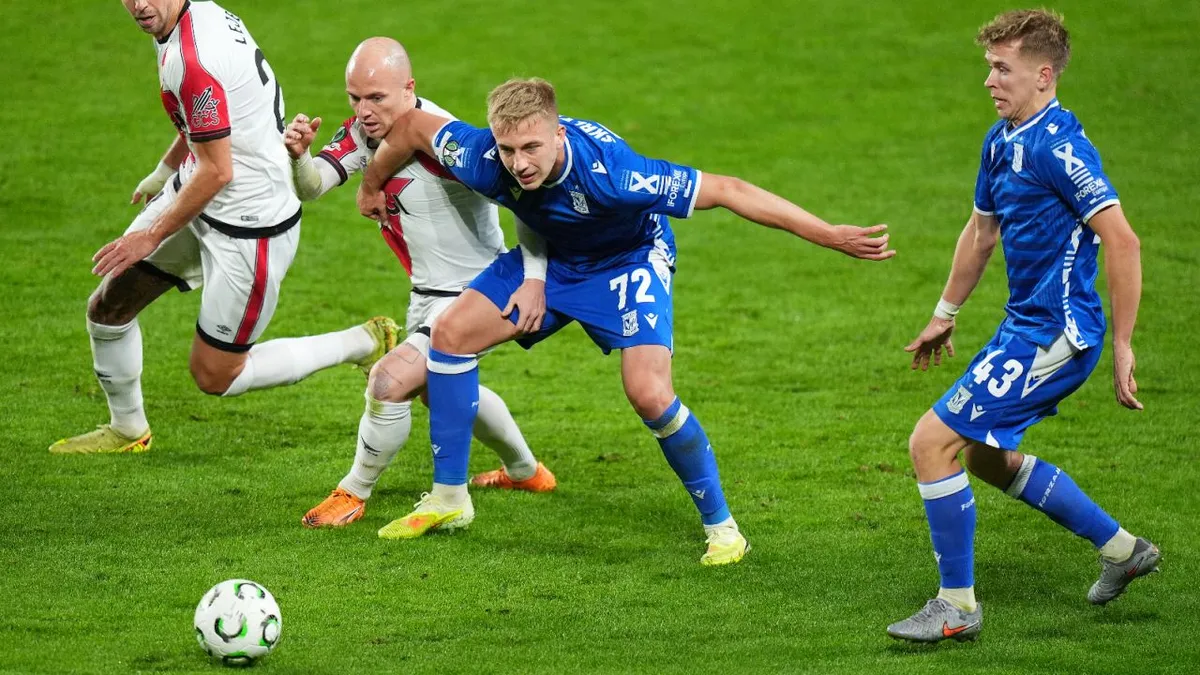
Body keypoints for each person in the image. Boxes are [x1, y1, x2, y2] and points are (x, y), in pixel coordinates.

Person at [356, 78, 895, 564]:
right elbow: (414, 126)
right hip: (556, 258)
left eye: (532, 148)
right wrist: (372, 183)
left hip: (626, 260)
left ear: (558, 135)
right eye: (508, 149)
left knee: (649, 394)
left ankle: (723, 528)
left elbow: (729, 190)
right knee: (450, 334)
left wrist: (828, 234)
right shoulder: (482, 155)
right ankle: (450, 498)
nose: (518, 163)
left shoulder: (615, 174)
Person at [887, 9, 1160, 643]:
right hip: (1025, 325)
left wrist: (1122, 345)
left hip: (1058, 333)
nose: (990, 80)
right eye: (989, 67)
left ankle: (957, 607)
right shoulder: (1001, 138)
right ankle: (1123, 550)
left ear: (1043, 75)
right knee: (983, 456)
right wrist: (944, 314)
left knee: (930, 444)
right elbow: (981, 232)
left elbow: (1123, 241)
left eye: (1002, 69)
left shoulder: (1059, 149)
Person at [51, 0, 398, 454]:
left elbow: (218, 170)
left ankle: (362, 343)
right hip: (199, 188)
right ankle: (128, 429)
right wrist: (164, 171)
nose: (139, 5)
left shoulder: (195, 56)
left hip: (250, 226)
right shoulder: (191, 18)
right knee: (108, 307)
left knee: (214, 375)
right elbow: (206, 115)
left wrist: (150, 236)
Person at [284, 38, 555, 529]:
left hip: (479, 291)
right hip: (427, 296)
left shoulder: (447, 144)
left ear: (409, 88)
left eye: (377, 98)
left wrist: (534, 277)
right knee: (439, 390)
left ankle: (353, 492)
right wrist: (299, 155)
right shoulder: (362, 134)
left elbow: (525, 201)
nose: (364, 111)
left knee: (389, 380)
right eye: (355, 98)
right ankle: (526, 472)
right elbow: (313, 186)